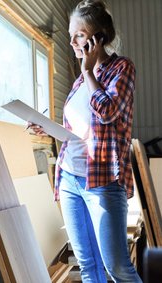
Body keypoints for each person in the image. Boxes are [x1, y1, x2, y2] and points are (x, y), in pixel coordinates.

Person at [30, 0, 140, 281]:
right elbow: (78, 133)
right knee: (87, 266)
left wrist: (89, 71)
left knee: (117, 267)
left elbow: (107, 112)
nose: (72, 41)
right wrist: (47, 128)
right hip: (69, 177)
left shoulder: (121, 69)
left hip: (102, 182)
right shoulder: (79, 82)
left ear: (98, 37)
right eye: (71, 34)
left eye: (79, 35)